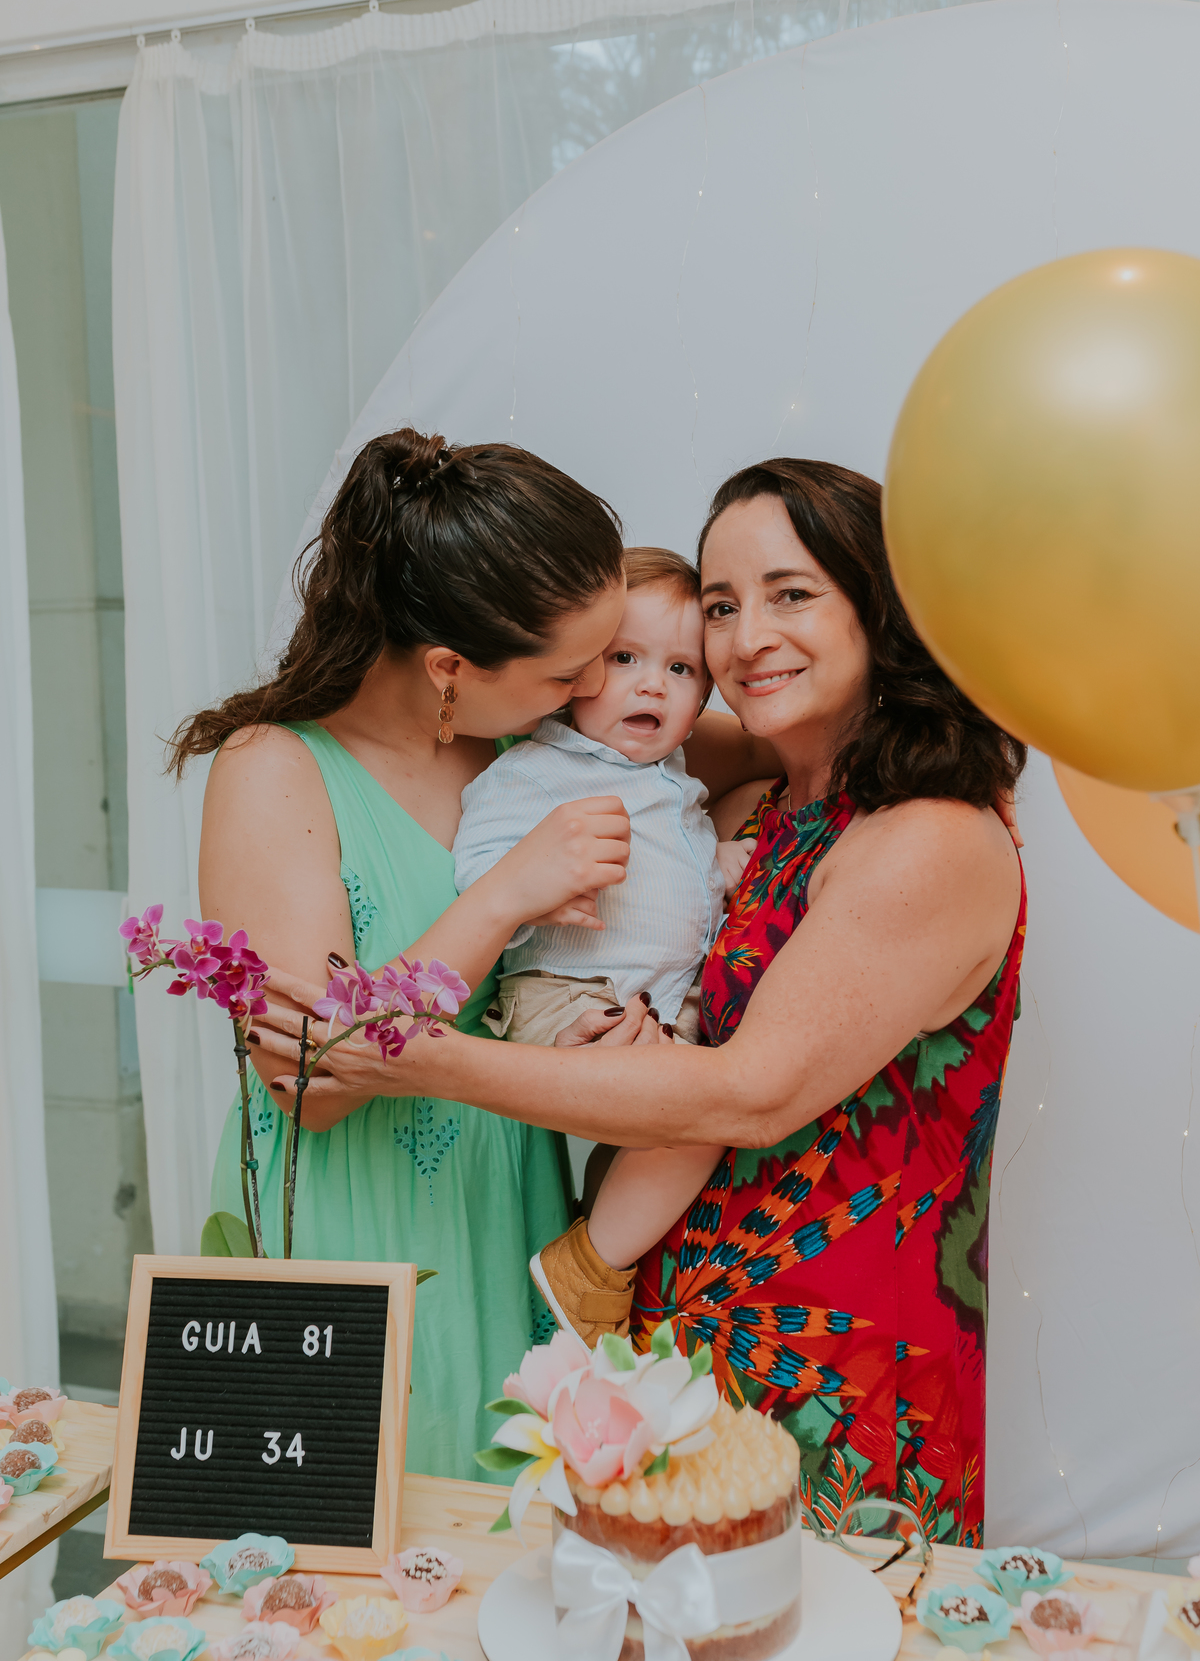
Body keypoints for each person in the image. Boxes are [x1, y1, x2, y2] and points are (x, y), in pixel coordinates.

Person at [258, 457, 1026, 1545]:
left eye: (792, 592)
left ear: (885, 607)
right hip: (671, 1337)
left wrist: (427, 1056)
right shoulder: (788, 796)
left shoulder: (925, 837)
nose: (746, 636)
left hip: (832, 1355)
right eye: (723, 605)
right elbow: (618, 724)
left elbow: (751, 1094)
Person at [170, 428, 779, 1482]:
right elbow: (314, 1077)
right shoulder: (273, 771)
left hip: (519, 1207)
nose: (602, 682)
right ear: (451, 670)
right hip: (357, 1226)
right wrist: (508, 893)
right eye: (573, 665)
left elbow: (777, 741)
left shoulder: (529, 740)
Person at [453, 548, 751, 1049]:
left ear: (703, 699)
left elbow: (665, 867)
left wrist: (712, 864)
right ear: (578, 671)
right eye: (625, 658)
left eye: (680, 668)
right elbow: (477, 880)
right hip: (567, 994)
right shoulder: (536, 770)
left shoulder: (673, 777)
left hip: (667, 1002)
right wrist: (535, 885)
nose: (653, 685)